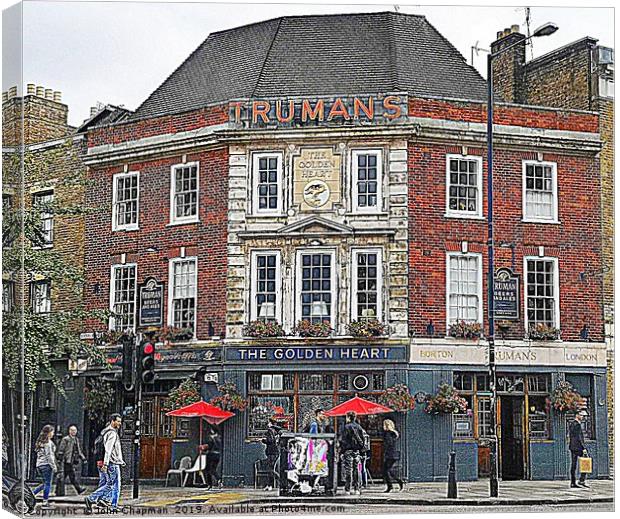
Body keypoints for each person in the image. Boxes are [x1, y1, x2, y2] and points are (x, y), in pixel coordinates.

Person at [84, 413, 124, 514]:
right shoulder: (112, 433)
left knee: (110, 484)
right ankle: (94, 499)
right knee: (115, 485)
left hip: (112, 462)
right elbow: (108, 450)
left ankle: (98, 500)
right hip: (112, 463)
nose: (120, 423)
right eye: (118, 421)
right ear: (112, 421)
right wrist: (106, 464)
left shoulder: (106, 431)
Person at [339, 411, 366, 495]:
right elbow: (363, 440)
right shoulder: (359, 427)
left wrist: (342, 452)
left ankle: (348, 489)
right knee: (357, 470)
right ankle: (357, 489)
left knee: (348, 470)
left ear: (348, 417)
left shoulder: (346, 427)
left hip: (348, 451)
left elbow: (343, 440)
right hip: (357, 451)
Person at [56, 425, 86, 495]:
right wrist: (60, 459)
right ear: (69, 431)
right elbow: (61, 449)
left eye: (75, 430)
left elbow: (79, 450)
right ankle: (78, 489)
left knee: (67, 476)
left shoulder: (76, 439)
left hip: (72, 461)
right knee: (69, 476)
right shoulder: (65, 439)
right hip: (66, 461)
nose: (74, 432)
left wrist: (83, 458)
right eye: (72, 430)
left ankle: (59, 491)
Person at [33, 425, 57, 507]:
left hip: (39, 465)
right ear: (49, 433)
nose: (53, 434)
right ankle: (45, 501)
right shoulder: (48, 443)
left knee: (45, 483)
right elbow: (49, 456)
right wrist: (54, 467)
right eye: (52, 432)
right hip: (46, 465)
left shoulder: (40, 442)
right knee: (48, 484)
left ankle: (32, 494)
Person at [382, 419, 404, 493]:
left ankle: (393, 484)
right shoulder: (393, 433)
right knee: (387, 470)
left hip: (390, 454)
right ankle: (394, 483)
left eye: (384, 424)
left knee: (386, 471)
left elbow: (389, 444)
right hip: (392, 454)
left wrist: (385, 452)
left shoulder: (388, 434)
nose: (383, 426)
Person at [569, 410, 589, 488]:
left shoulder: (572, 424)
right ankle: (581, 480)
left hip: (573, 447)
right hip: (578, 447)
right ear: (577, 415)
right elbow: (579, 438)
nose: (583, 417)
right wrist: (583, 448)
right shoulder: (577, 424)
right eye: (582, 415)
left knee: (573, 465)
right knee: (586, 462)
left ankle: (573, 482)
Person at [262, 417, 282, 491]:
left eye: (268, 422)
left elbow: (270, 440)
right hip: (276, 451)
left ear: (270, 423)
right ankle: (270, 485)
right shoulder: (278, 431)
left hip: (271, 451)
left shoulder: (270, 430)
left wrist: (263, 440)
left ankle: (277, 482)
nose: (267, 424)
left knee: (270, 469)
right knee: (272, 468)